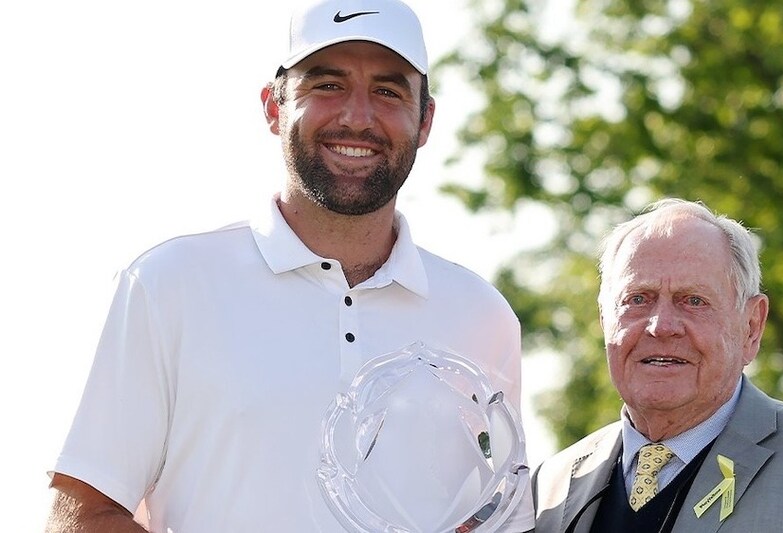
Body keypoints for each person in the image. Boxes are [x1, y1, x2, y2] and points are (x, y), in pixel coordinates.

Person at [45, 0, 535, 531]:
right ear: (274, 108)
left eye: (389, 92)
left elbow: (502, 519)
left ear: (425, 121)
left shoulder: (482, 315)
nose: (358, 117)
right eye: (327, 85)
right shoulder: (171, 284)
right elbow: (84, 515)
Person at [532, 199, 783, 532]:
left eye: (693, 301)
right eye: (637, 299)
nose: (661, 326)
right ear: (604, 320)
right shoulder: (549, 485)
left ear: (751, 326)